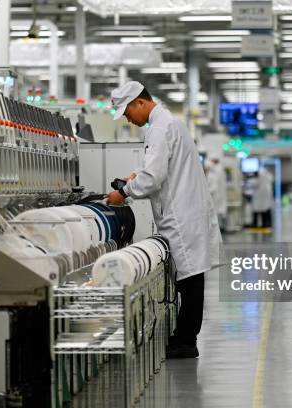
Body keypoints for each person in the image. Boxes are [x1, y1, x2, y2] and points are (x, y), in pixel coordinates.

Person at [106, 81, 222, 359]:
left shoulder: (159, 128)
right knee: (189, 279)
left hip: (181, 215)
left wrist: (123, 192)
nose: (127, 119)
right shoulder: (168, 124)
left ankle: (187, 341)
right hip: (183, 212)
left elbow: (154, 178)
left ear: (140, 103)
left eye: (127, 112)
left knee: (191, 280)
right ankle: (184, 336)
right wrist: (136, 177)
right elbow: (156, 170)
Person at [206, 158, 227, 230]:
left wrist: (206, 192)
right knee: (218, 212)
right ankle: (220, 227)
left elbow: (213, 188)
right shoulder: (218, 172)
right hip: (217, 197)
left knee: (215, 213)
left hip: (215, 197)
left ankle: (219, 228)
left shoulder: (212, 175)